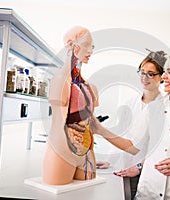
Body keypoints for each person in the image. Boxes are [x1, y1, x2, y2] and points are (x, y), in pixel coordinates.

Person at [91, 52, 170, 200]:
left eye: (169, 72)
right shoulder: (154, 108)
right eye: (165, 72)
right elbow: (134, 147)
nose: (164, 77)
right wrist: (100, 129)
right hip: (148, 192)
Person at [42, 26, 99, 185]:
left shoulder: (86, 84)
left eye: (92, 46)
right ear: (72, 46)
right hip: (63, 151)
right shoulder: (60, 79)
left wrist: (90, 149)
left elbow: (91, 124)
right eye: (87, 45)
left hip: (86, 151)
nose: (91, 50)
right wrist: (67, 153)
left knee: (87, 194)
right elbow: (57, 125)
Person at [113, 50, 167, 200]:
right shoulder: (131, 103)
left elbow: (162, 148)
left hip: (145, 174)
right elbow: (125, 137)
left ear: (161, 77)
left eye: (151, 74)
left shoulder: (165, 107)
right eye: (142, 72)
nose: (145, 77)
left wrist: (139, 167)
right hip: (124, 169)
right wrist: (112, 160)